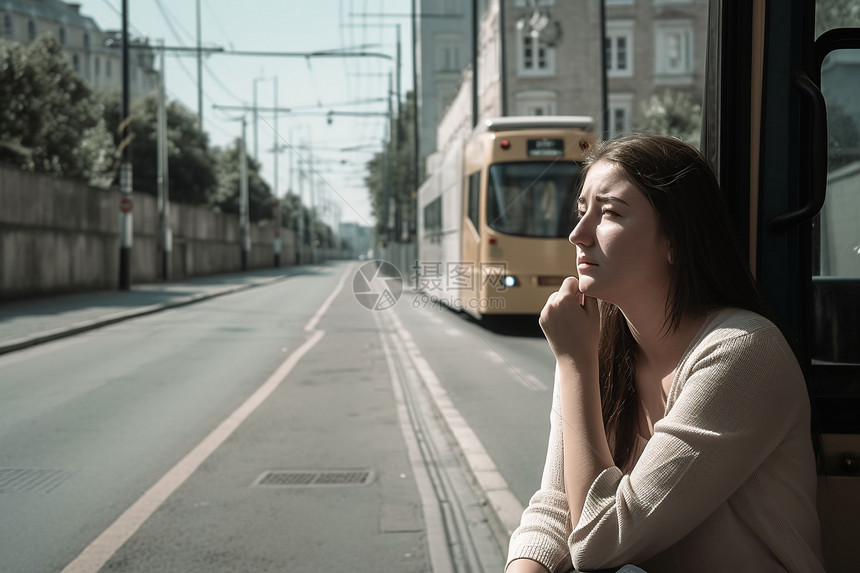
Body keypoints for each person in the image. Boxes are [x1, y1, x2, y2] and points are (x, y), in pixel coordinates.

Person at [505, 135, 825, 573]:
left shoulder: (742, 352)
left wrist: (573, 363)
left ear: (675, 240)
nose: (577, 235)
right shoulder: (595, 342)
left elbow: (597, 545)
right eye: (581, 212)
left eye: (610, 214)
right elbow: (554, 509)